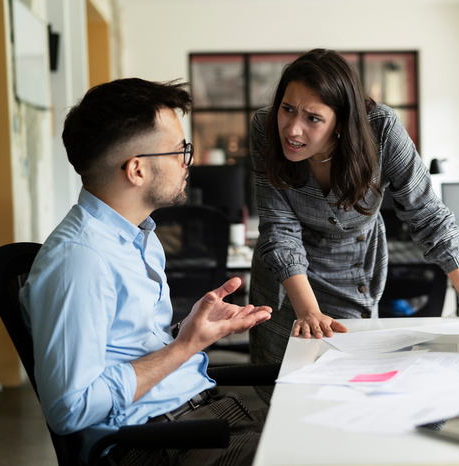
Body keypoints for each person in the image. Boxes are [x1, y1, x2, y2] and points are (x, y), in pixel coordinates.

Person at [248, 49, 459, 396]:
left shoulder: (380, 131)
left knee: (347, 388)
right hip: (287, 284)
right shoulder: (265, 130)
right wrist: (308, 311)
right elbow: (279, 232)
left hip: (351, 271)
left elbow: (429, 216)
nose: (292, 129)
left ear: (340, 122)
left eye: (313, 118)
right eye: (288, 109)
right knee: (281, 391)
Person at [19, 78, 272, 465]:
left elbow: (126, 346)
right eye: (178, 150)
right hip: (154, 443)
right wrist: (186, 347)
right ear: (136, 169)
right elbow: (69, 408)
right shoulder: (79, 261)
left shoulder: (140, 236)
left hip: (202, 414)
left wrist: (188, 333)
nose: (187, 161)